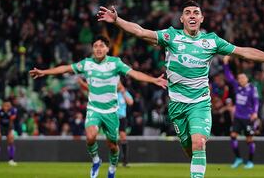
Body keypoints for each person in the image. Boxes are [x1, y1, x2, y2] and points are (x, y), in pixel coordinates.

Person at [97, 1, 264, 178]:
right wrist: (117, 20)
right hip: (177, 106)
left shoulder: (211, 41)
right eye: (188, 13)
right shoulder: (171, 36)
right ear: (182, 19)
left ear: (202, 19)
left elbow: (243, 52)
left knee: (198, 143)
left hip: (200, 104)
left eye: (196, 13)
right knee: (190, 148)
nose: (192, 16)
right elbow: (141, 32)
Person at [29, 35, 167, 178]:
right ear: (92, 49)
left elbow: (135, 74)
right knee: (90, 137)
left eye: (102, 46)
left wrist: (153, 80)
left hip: (112, 112)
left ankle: (112, 167)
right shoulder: (87, 63)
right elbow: (65, 68)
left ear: (107, 49)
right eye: (95, 46)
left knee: (113, 146)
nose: (98, 49)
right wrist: (43, 72)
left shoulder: (115, 63)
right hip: (94, 109)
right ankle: (96, 161)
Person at [223, 56, 259, 169]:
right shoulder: (237, 86)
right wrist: (225, 63)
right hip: (238, 116)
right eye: (239, 78)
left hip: (248, 117)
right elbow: (228, 77)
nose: (241, 80)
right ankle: (238, 158)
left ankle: (250, 162)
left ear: (247, 79)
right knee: (233, 136)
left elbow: (256, 102)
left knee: (249, 140)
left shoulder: (252, 88)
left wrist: (255, 112)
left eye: (243, 78)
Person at [0, 99, 18, 166]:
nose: (7, 106)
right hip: (0, 126)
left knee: (11, 140)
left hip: (8, 127)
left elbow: (11, 121)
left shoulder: (13, 111)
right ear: (3, 105)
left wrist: (10, 131)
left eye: (9, 105)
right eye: (6, 105)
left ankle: (11, 160)